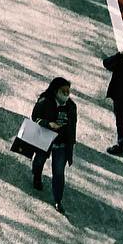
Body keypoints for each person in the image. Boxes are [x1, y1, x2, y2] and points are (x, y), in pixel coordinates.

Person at [30, 77, 79, 213]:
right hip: (45, 138)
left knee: (58, 172)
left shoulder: (71, 107)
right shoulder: (44, 102)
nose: (66, 94)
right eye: (63, 91)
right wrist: (48, 124)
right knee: (39, 160)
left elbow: (72, 127)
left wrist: (70, 144)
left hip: (61, 143)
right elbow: (35, 118)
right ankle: (37, 176)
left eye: (68, 91)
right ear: (55, 90)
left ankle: (58, 200)